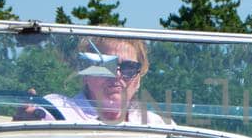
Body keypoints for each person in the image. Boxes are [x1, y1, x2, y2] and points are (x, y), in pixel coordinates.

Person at [38, 35, 174, 127]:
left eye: (129, 68)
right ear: (86, 73)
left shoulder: (156, 124)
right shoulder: (56, 110)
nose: (117, 75)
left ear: (138, 80)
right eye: (106, 65)